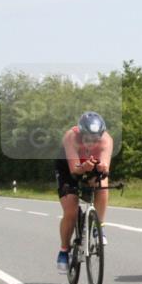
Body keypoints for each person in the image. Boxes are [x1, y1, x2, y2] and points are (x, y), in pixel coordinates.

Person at [54, 112, 114, 273]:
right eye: (87, 138)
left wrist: (102, 168)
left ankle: (98, 226)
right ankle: (64, 250)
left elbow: (105, 167)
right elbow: (74, 171)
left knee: (102, 185)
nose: (91, 142)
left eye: (96, 139)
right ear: (80, 133)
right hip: (68, 169)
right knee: (71, 211)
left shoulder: (107, 140)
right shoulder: (70, 137)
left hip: (90, 165)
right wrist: (83, 168)